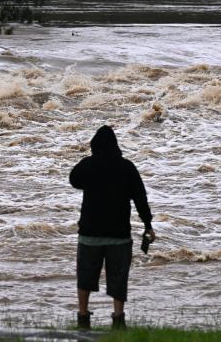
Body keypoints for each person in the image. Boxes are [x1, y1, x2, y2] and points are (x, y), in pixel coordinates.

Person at [69, 125, 155, 330]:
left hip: (90, 232)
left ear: (94, 145)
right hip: (119, 234)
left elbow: (74, 180)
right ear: (116, 145)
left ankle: (83, 316)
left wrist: (91, 182)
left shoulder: (88, 165)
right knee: (118, 277)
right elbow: (140, 198)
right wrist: (148, 225)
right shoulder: (127, 167)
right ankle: (118, 318)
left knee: (85, 276)